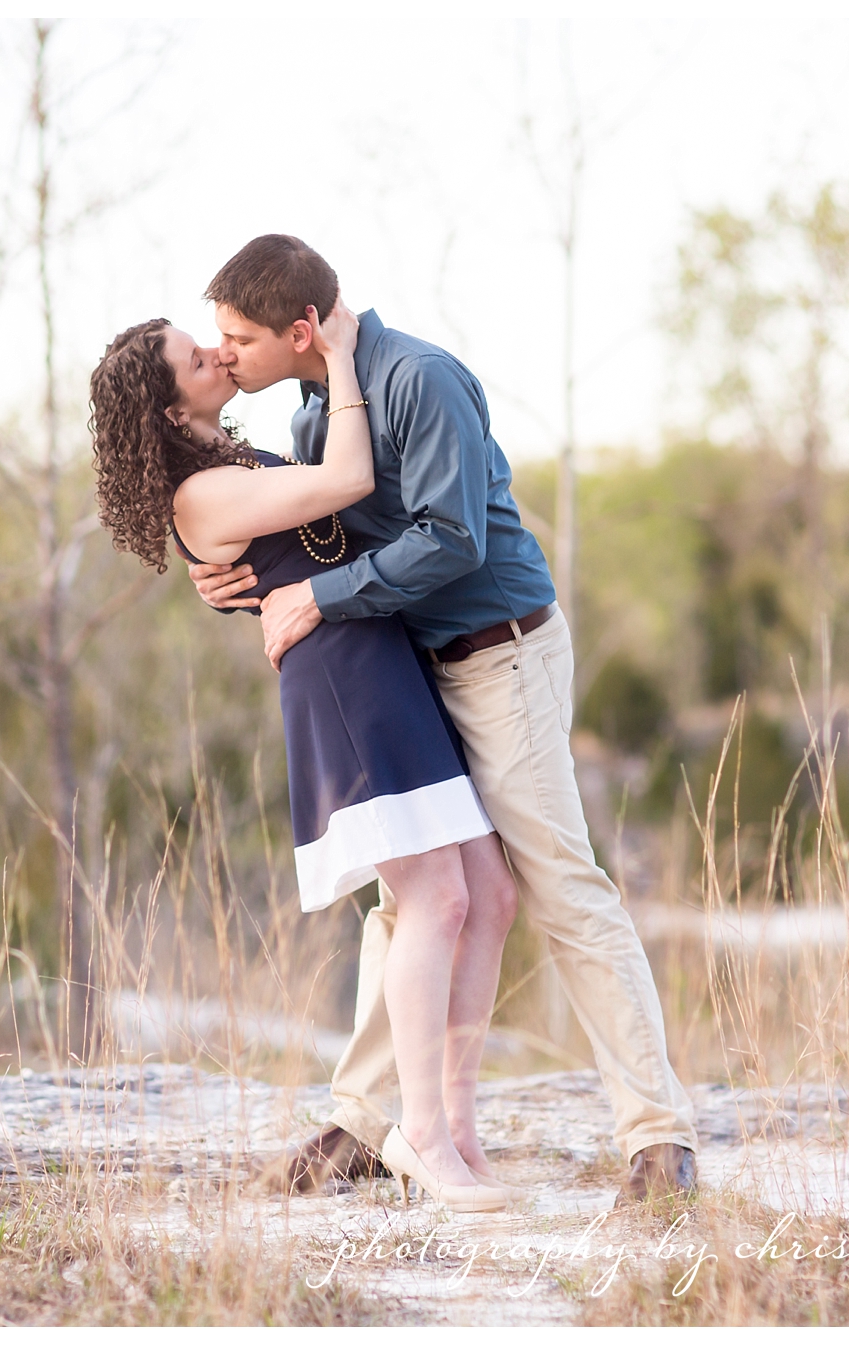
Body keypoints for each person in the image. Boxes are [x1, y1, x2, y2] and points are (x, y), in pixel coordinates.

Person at [191, 235, 700, 1205]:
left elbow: (451, 539)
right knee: (413, 897)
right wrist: (233, 581)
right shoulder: (313, 407)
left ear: (298, 329)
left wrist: (324, 598)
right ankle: (365, 1123)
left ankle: (657, 1139)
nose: (226, 357)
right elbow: (309, 538)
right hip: (409, 665)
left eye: (237, 338)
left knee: (557, 883)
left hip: (497, 654)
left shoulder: (419, 378)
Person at [88, 300, 520, 1212]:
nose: (215, 351)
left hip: (385, 664)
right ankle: (422, 1137)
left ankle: (458, 1124)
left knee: (490, 894)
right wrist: (342, 354)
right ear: (170, 410)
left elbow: (311, 540)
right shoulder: (201, 493)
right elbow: (350, 476)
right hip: (344, 689)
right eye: (192, 354)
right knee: (435, 899)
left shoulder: (234, 462)